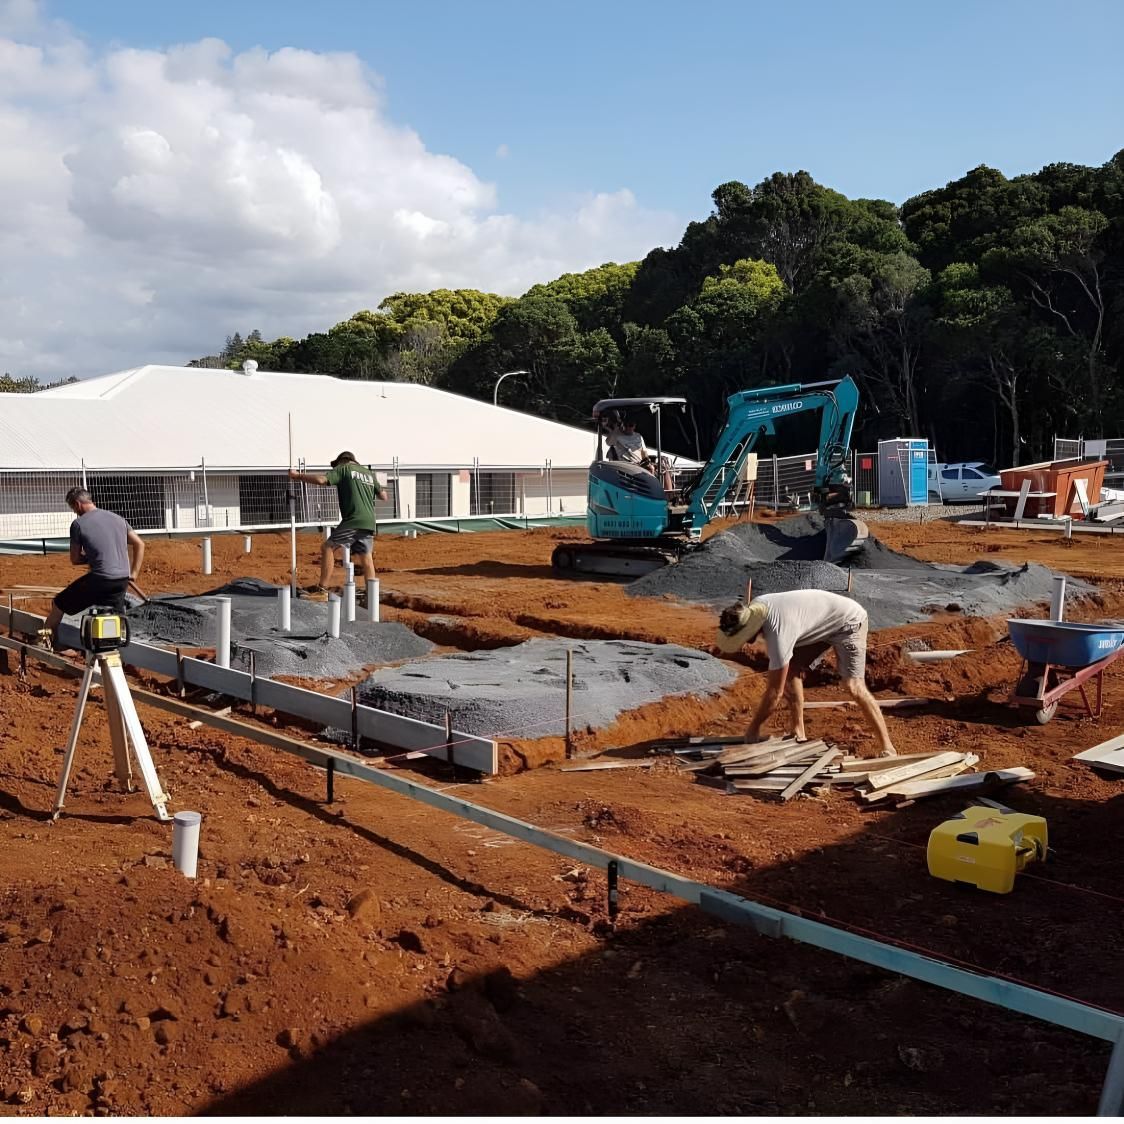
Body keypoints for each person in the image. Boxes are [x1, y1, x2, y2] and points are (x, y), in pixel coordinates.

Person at [715, 589, 897, 757]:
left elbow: (774, 693)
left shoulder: (778, 633)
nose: (745, 642)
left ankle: (888, 746)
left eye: (742, 637)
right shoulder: (756, 608)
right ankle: (798, 732)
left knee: (853, 685)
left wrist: (753, 729)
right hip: (822, 622)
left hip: (849, 621)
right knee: (791, 668)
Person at [44, 488, 145, 649]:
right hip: (122, 580)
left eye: (73, 508)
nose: (74, 512)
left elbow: (75, 559)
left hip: (100, 579)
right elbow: (140, 544)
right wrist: (133, 573)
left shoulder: (78, 524)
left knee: (59, 603)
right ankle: (113, 649)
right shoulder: (118, 518)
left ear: (77, 504)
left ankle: (45, 642)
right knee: (114, 614)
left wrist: (91, 557)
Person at [289, 451, 387, 597]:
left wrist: (298, 476)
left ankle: (322, 589)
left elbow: (322, 480)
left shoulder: (344, 468)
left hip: (354, 519)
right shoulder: (368, 473)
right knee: (366, 556)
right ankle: (371, 595)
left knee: (327, 547)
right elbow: (384, 496)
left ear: (343, 460)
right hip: (369, 521)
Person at [605, 414, 674, 492]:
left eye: (630, 425)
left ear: (634, 426)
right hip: (628, 464)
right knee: (649, 470)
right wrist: (616, 429)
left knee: (664, 468)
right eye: (625, 425)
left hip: (641, 462)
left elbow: (644, 452)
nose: (628, 428)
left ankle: (669, 495)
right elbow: (608, 442)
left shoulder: (638, 436)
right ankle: (651, 493)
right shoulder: (617, 436)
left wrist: (648, 462)